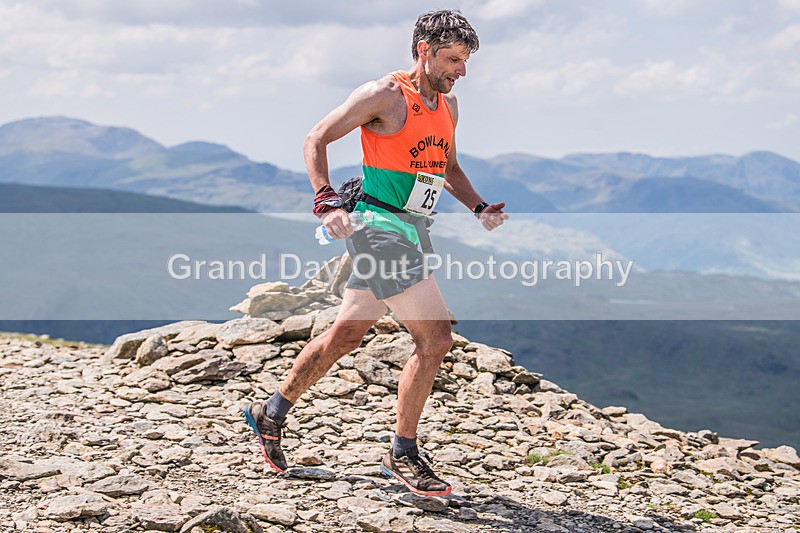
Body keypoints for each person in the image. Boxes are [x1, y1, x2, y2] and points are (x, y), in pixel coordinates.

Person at [244, 9, 508, 497]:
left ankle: (270, 411)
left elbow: (446, 166)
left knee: (346, 335)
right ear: (423, 51)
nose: (461, 71)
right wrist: (324, 201)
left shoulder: (448, 107)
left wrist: (478, 207)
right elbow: (315, 138)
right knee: (436, 341)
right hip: (378, 226)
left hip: (412, 228)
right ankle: (402, 453)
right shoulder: (383, 95)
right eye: (453, 59)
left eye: (466, 61)